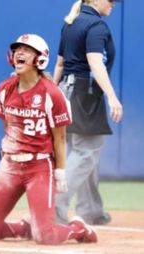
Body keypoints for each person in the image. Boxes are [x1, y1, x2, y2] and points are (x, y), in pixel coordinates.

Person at [0, 33, 98, 245]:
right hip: (10, 166)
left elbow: (59, 138)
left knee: (46, 237)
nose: (19, 53)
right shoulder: (4, 89)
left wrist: (60, 172)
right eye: (17, 49)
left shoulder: (52, 93)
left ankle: (78, 229)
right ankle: (24, 228)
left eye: (26, 50)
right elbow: (7, 125)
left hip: (39, 167)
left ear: (40, 59)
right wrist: (8, 151)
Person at [53, 0, 123, 225]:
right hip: (84, 93)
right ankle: (53, 209)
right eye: (111, 0)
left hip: (67, 91)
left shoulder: (70, 22)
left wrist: (53, 93)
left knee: (83, 151)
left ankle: (91, 211)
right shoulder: (96, 25)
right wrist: (112, 96)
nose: (114, 4)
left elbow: (60, 65)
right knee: (87, 152)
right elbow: (95, 62)